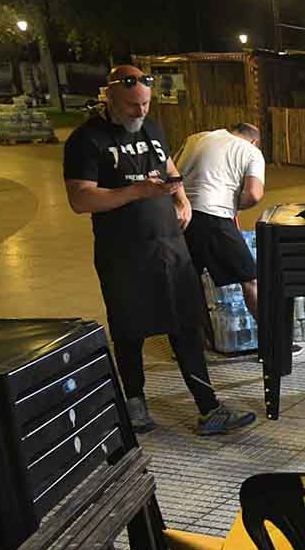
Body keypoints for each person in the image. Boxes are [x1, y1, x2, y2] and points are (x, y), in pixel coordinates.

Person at [63, 65, 256, 436]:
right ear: (111, 98)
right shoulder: (86, 140)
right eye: (133, 105)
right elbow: (80, 198)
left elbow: (166, 163)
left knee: (186, 323)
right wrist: (137, 192)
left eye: (146, 104)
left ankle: (209, 409)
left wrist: (181, 198)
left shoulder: (151, 128)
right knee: (129, 328)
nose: (141, 112)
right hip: (123, 252)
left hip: (170, 245)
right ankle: (135, 405)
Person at [175, 123, 265, 320]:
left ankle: (194, 345)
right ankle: (274, 342)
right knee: (251, 280)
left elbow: (172, 174)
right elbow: (254, 193)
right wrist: (233, 205)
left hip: (179, 216)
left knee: (187, 282)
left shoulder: (196, 137)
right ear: (254, 141)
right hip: (214, 216)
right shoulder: (250, 151)